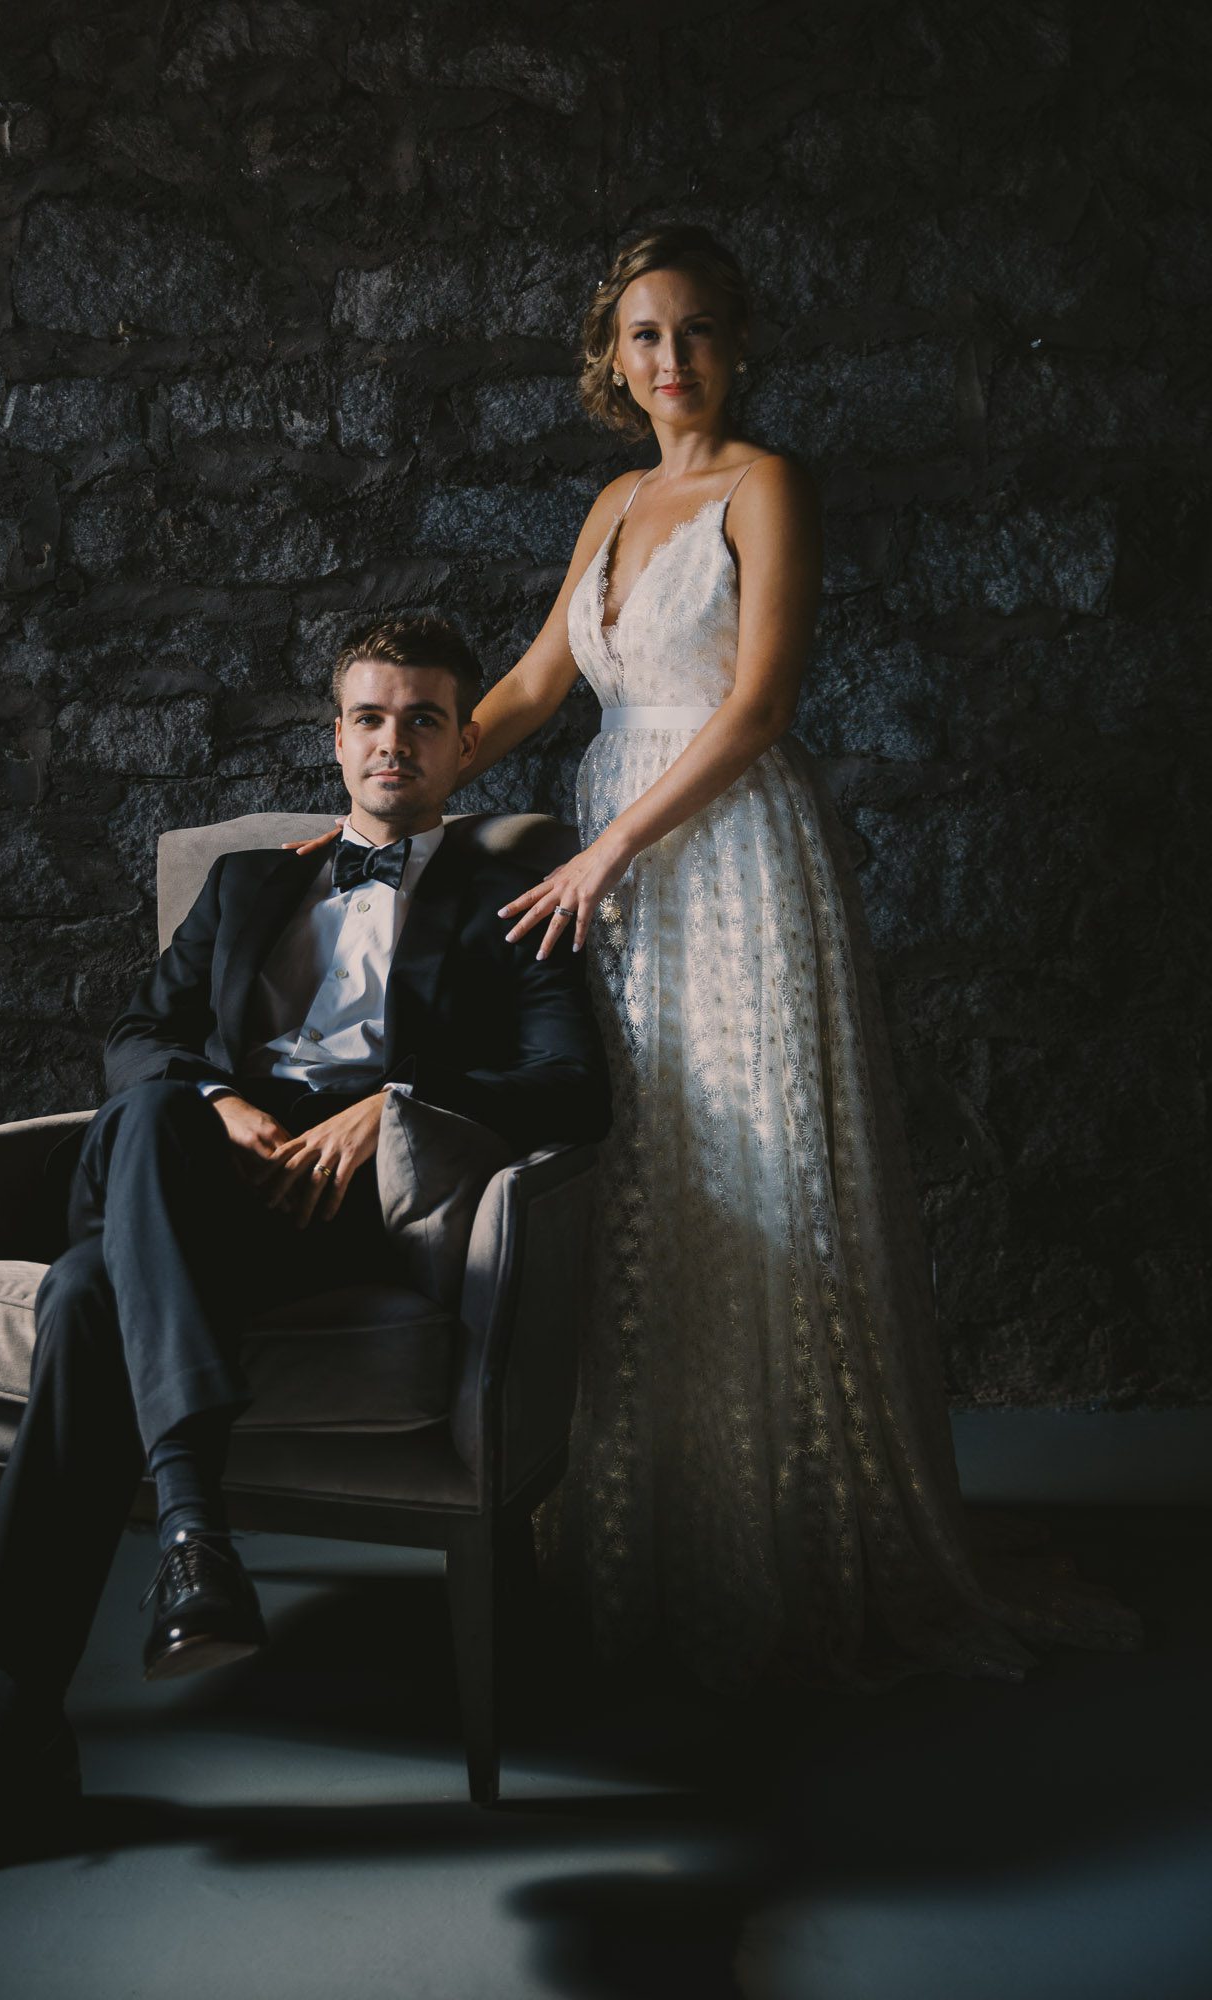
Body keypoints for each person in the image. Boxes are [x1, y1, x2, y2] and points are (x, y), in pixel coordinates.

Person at [288, 224, 1142, 1692]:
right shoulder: (615, 501)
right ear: (612, 363)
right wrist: (386, 800)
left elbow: (757, 709)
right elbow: (537, 687)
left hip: (725, 857)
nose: (668, 358)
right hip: (608, 846)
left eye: (692, 332)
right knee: (635, 1172)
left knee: (751, 1165)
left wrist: (609, 852)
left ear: (735, 346)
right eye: (641, 337)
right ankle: (645, 1527)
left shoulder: (769, 487)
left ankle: (785, 1532)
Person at [0, 615, 611, 1883]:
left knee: (85, 1294)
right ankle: (192, 1526)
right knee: (148, 1106)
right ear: (334, 738)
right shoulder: (252, 881)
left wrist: (394, 1106)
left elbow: (572, 1085)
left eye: (421, 718)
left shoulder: (509, 900)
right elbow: (140, 1033)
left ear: (466, 743)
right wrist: (215, 1104)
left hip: (348, 1196)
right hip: (194, 1162)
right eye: (367, 716)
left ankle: (20, 1732)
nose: (390, 739)